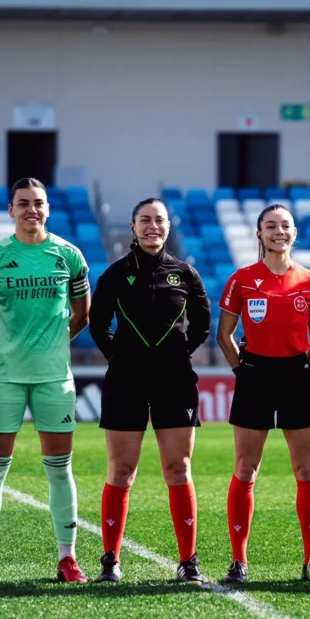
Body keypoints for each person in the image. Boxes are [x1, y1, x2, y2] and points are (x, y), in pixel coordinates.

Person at [0, 177, 91, 585]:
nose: (31, 209)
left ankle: (67, 558)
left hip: (55, 378)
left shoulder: (69, 255)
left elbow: (82, 314)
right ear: (11, 210)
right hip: (6, 377)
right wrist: (0, 344)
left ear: (48, 208)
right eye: (23, 203)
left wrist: (54, 345)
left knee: (59, 469)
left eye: (38, 203)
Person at [88, 198, 212, 584]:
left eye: (159, 220)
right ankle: (110, 560)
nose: (152, 226)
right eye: (145, 220)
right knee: (121, 471)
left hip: (175, 382)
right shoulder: (115, 274)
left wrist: (178, 356)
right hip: (125, 382)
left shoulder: (186, 274)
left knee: (179, 469)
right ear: (133, 226)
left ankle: (188, 561)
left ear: (168, 227)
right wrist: (121, 357)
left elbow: (204, 324)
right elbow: (98, 324)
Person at [216, 203, 310, 584]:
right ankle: (238, 561)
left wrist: (302, 372)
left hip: (296, 374)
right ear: (259, 234)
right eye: (270, 226)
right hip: (254, 374)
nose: (278, 231)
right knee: (245, 468)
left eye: (285, 225)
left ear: (294, 233)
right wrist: (243, 372)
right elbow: (224, 335)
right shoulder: (242, 279)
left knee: (306, 469)